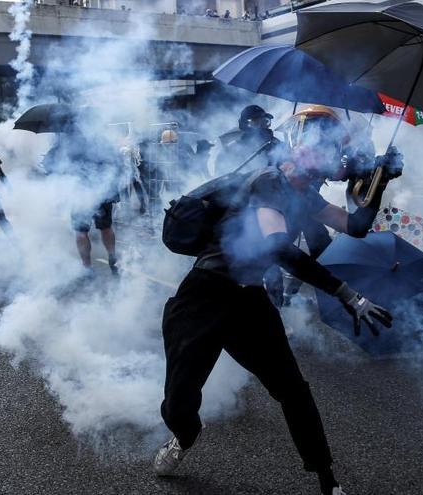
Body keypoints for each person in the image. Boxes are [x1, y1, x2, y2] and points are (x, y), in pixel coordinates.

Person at [153, 108, 404, 495]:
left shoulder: (303, 196)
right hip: (204, 296)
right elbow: (279, 248)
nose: (325, 156)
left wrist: (380, 180)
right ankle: (184, 437)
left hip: (248, 300)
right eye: (318, 145)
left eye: (331, 148)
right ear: (297, 146)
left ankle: (328, 483)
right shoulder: (269, 181)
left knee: (293, 390)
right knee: (181, 402)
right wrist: (346, 293)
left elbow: (355, 225)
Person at [46, 129, 121, 275]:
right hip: (103, 190)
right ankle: (112, 256)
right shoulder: (101, 139)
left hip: (80, 191)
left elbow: (49, 164)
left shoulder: (66, 143)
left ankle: (87, 266)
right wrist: (114, 192)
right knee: (106, 227)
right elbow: (115, 164)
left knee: (81, 231)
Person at [215, 105, 282, 176]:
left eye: (266, 121)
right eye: (257, 123)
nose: (263, 126)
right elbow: (223, 181)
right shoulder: (230, 151)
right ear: (245, 126)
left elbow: (287, 165)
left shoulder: (275, 143)